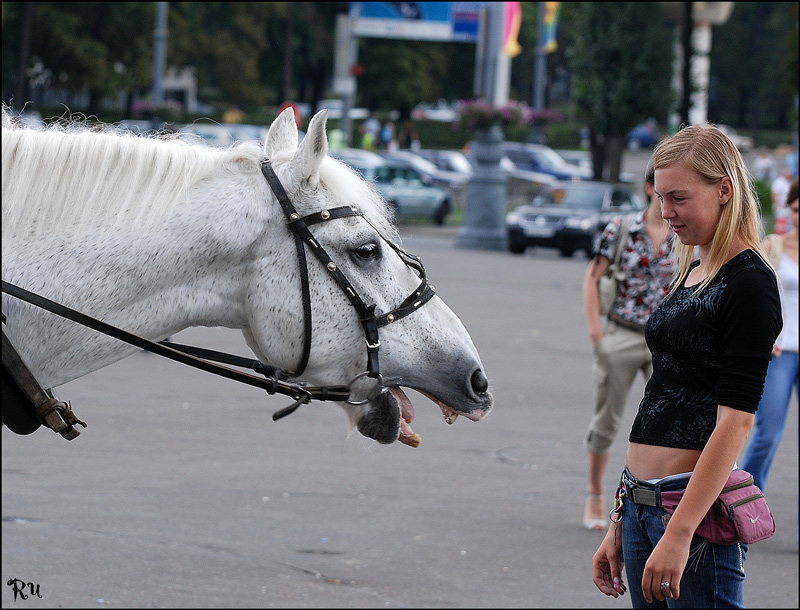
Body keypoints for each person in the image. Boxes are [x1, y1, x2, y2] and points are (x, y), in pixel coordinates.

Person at [592, 124, 782, 608]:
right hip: (641, 504)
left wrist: (680, 533)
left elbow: (737, 422)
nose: (665, 213)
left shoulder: (749, 282)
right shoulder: (694, 267)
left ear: (724, 190)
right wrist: (621, 514)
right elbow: (660, 395)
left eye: (678, 198)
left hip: (690, 515)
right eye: (659, 198)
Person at [582, 159, 675, 531]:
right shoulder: (622, 228)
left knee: (667, 423)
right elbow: (593, 279)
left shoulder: (683, 233)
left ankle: (662, 502)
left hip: (667, 343)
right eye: (662, 188)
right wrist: (597, 335)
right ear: (650, 188)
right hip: (621, 334)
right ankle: (594, 494)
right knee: (607, 420)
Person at [742, 178, 798, 491]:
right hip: (781, 351)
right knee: (766, 436)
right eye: (795, 209)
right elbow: (753, 293)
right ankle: (743, 509)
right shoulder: (772, 246)